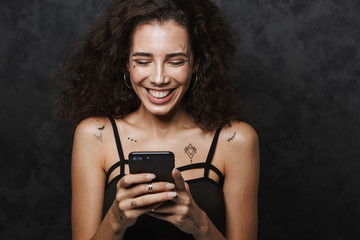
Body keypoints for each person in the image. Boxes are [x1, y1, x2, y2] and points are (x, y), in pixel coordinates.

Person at [58, 0, 259, 239]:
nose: (159, 78)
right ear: (126, 63)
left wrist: (199, 223)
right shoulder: (95, 135)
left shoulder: (235, 140)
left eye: (176, 61)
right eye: (143, 61)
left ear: (196, 63)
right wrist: (116, 219)